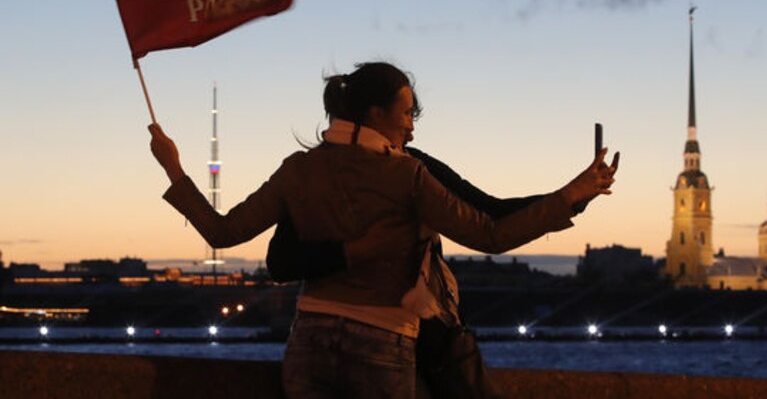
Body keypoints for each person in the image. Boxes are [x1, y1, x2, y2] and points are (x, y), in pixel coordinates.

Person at [148, 62, 618, 399]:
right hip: (381, 340)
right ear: (376, 114)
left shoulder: (299, 169)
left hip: (307, 340)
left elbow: (223, 231)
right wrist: (573, 193)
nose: (412, 125)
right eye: (407, 112)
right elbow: (491, 234)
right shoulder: (407, 174)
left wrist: (174, 168)